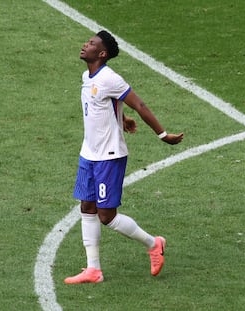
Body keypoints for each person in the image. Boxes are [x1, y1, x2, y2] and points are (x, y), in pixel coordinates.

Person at [64, 30, 184, 284]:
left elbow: (139, 105)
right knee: (87, 207)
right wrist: (121, 118)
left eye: (92, 44)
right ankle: (93, 269)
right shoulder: (87, 76)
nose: (86, 45)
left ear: (102, 53)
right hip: (88, 153)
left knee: (107, 216)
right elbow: (101, 106)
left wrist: (163, 135)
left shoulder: (110, 78)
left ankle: (154, 244)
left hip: (109, 156)